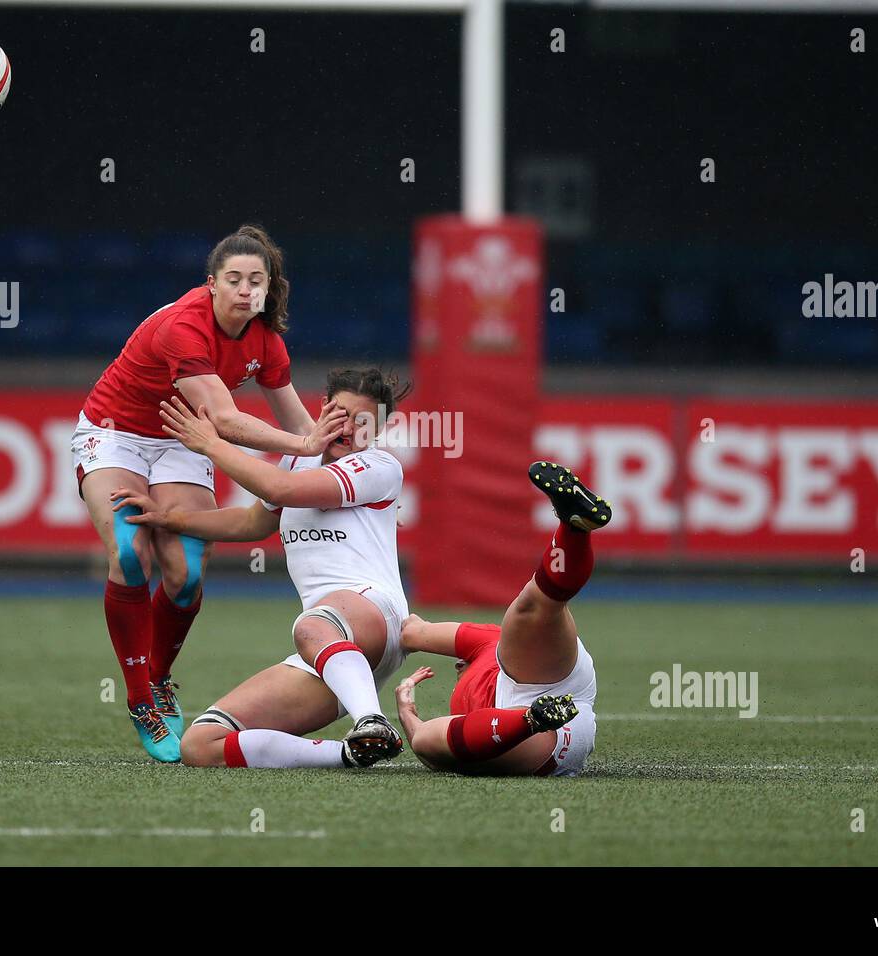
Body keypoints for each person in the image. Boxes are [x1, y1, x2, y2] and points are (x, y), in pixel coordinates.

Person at [72, 224, 348, 762]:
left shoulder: (265, 341)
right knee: (132, 553)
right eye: (234, 279)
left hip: (182, 440)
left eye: (256, 281)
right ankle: (138, 700)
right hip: (116, 432)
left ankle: (159, 676)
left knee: (186, 573)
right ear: (212, 284)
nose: (246, 290)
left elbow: (298, 424)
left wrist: (347, 466)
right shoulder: (184, 326)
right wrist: (305, 440)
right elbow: (225, 418)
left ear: (269, 289)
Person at [109, 368, 413, 769]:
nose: (348, 429)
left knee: (311, 623)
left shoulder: (378, 466)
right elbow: (251, 522)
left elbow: (280, 490)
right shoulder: (296, 460)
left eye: (363, 422)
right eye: (340, 414)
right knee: (201, 745)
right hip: (330, 650)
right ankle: (352, 752)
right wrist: (170, 519)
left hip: (375, 614)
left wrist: (211, 445)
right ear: (322, 408)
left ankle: (372, 720)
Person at [393, 460, 611, 777]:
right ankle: (531, 720)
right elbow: (412, 635)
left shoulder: (488, 642)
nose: (456, 666)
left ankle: (574, 526)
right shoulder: (488, 647)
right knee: (529, 611)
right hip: (550, 724)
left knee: (534, 606)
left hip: (543, 683)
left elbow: (412, 632)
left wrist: (407, 712)